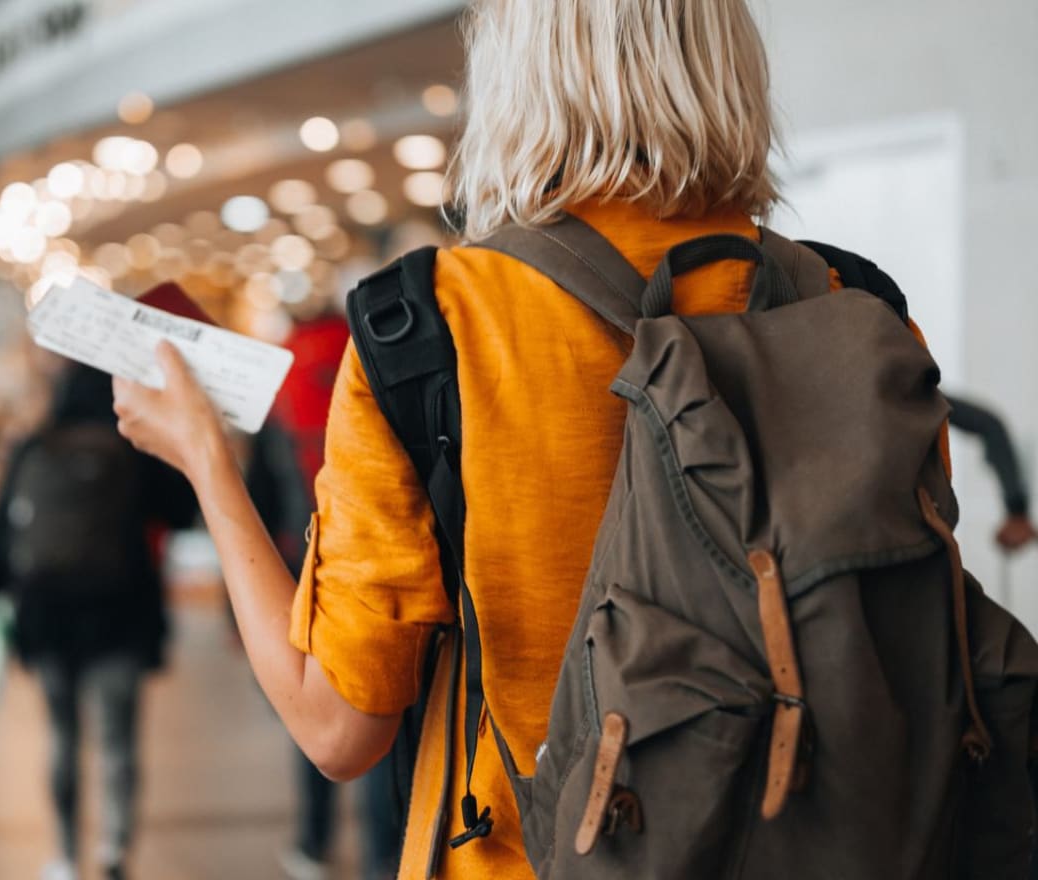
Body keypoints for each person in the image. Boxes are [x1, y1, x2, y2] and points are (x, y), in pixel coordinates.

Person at [111, 2, 946, 877]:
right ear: (729, 65)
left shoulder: (431, 324)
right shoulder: (859, 313)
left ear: (515, 79)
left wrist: (206, 459)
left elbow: (337, 731)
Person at [0, 365, 195, 880]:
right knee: (117, 741)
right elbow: (184, 510)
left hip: (48, 617)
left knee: (61, 736)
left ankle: (64, 855)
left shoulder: (35, 446)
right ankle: (115, 852)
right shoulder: (132, 450)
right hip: (120, 614)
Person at [247, 308, 402, 880]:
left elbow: (260, 490)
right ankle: (383, 854)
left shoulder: (281, 377)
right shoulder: (373, 354)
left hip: (297, 568)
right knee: (380, 713)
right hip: (372, 562)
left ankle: (313, 844)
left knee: (311, 709)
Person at [944, 393, 1036, 553]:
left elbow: (991, 427)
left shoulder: (911, 390)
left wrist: (1017, 512)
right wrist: (1017, 512)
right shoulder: (915, 390)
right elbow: (991, 426)